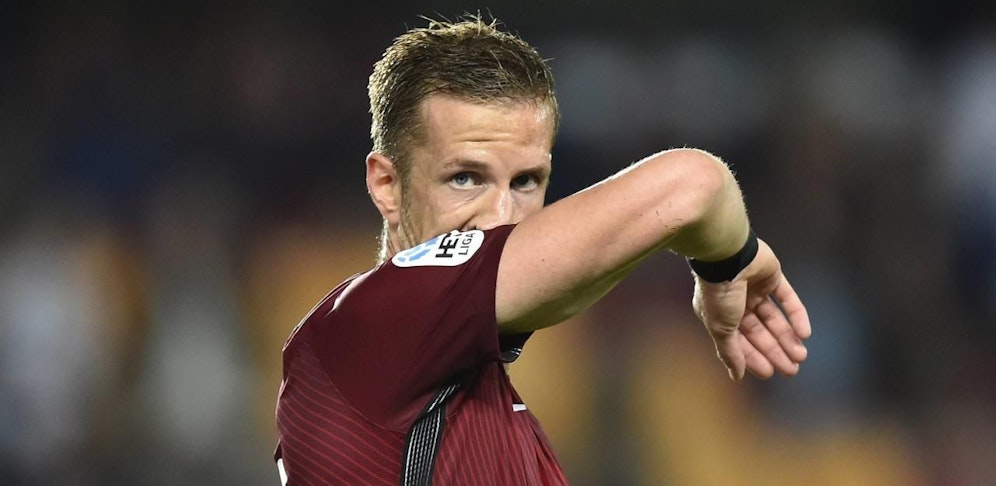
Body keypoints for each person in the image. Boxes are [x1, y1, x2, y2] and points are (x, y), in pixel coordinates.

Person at [274, 16, 811, 485]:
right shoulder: (374, 324)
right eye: (465, 178)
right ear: (387, 186)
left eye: (526, 182)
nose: (501, 216)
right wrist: (730, 262)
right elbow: (694, 185)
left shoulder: (475, 405)